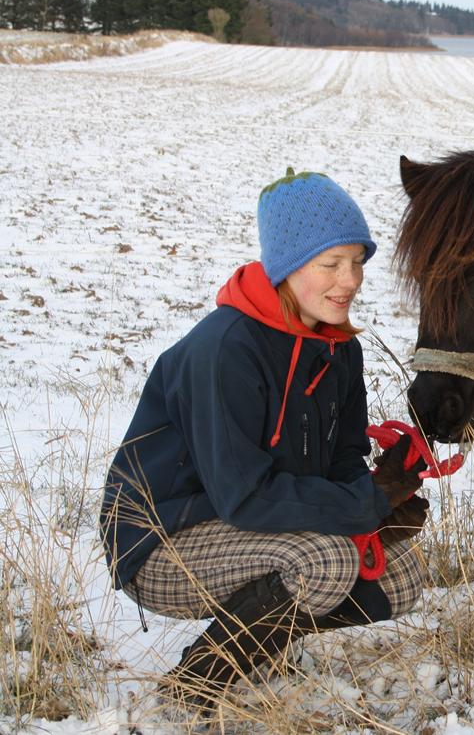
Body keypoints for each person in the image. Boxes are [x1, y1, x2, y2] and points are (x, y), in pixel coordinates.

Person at [100, 168, 429, 711]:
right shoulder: (225, 349)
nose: (349, 280)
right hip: (163, 540)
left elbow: (345, 453)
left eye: (356, 262)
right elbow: (243, 494)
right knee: (325, 563)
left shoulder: (339, 347)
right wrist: (362, 506)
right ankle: (197, 684)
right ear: (286, 266)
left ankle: (260, 640)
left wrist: (377, 490)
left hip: (249, 528)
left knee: (404, 578)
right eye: (330, 264)